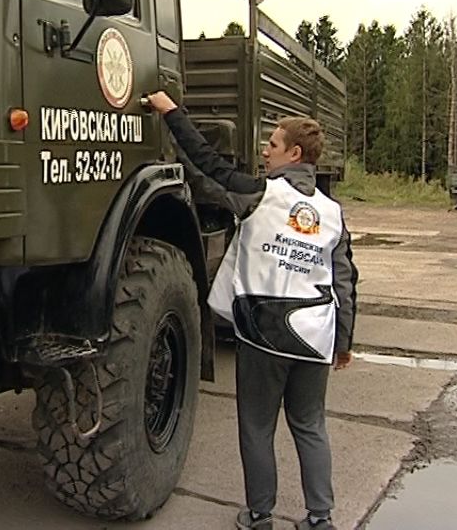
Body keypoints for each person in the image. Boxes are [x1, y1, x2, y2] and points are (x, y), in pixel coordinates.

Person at [147, 91, 358, 530]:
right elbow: (344, 281)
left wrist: (171, 113)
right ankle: (320, 518)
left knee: (258, 426)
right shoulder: (332, 212)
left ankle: (260, 516)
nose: (265, 150)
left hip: (264, 333)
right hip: (314, 335)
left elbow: (207, 164)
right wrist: (344, 341)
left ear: (293, 154)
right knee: (310, 425)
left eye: (273, 145)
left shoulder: (260, 194)